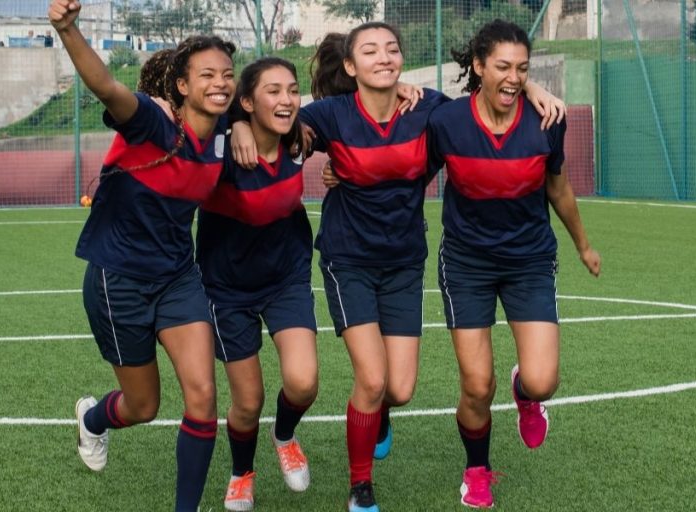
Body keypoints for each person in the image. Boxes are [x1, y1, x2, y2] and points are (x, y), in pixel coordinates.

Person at [233, 21, 565, 512]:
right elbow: (272, 115)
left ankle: (380, 415)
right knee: (372, 380)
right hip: (349, 261)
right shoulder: (330, 114)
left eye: (392, 49)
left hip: (406, 261)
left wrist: (529, 83)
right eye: (370, 51)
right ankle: (360, 487)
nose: (384, 57)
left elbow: (490, 96)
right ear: (351, 66)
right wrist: (239, 124)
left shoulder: (427, 107)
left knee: (400, 388)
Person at [49, 2, 235, 510]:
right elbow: (106, 86)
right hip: (119, 280)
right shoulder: (151, 122)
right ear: (182, 85)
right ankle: (92, 419)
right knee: (144, 405)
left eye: (227, 74)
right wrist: (68, 29)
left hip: (179, 278)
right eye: (207, 75)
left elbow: (284, 109)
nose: (221, 83)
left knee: (203, 399)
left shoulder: (226, 128)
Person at [426, 19, 601, 508]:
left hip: (528, 260)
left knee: (544, 380)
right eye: (502, 66)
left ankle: (524, 395)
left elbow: (559, 188)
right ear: (478, 67)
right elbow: (407, 170)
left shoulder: (547, 120)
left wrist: (583, 245)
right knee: (476, 385)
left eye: (523, 69)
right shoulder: (448, 123)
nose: (512, 77)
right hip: (466, 263)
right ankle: (477, 470)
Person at [195, 57, 317, 512]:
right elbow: (184, 110)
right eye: (272, 91)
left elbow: (350, 104)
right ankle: (241, 472)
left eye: (291, 89)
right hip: (226, 291)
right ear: (248, 100)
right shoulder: (220, 150)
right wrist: (234, 124)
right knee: (247, 402)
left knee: (303, 384)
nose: (285, 99)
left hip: (284, 279)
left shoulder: (300, 139)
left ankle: (284, 435)